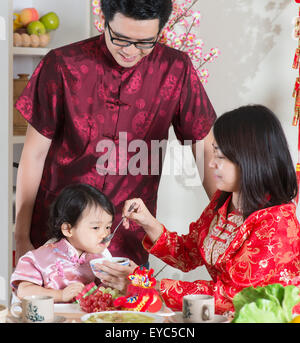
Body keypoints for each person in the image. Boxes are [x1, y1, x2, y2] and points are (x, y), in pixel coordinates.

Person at [14, 0, 217, 266]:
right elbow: (34, 154)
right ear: (105, 20)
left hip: (126, 237)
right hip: (57, 234)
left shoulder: (175, 69)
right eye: (120, 39)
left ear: (160, 32)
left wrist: (227, 220)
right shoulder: (62, 64)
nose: (131, 51)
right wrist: (20, 237)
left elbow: (204, 149)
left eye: (145, 42)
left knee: (123, 306)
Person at [114, 105, 300, 315]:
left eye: (221, 156)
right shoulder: (222, 202)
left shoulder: (278, 222)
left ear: (250, 158)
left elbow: (231, 296)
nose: (211, 164)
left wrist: (147, 284)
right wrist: (147, 221)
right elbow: (186, 254)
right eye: (214, 154)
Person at [10, 183, 125, 303]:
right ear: (68, 229)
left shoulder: (101, 259)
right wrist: (60, 295)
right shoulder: (40, 258)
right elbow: (23, 291)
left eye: (108, 227)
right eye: (96, 227)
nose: (105, 234)